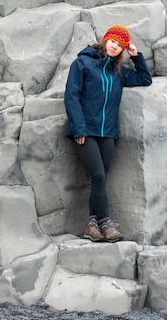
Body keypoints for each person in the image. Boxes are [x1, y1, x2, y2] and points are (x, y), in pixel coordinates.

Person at [64, 24, 152, 242]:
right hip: (85, 131)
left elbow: (144, 79)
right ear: (105, 40)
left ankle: (92, 226)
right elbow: (71, 96)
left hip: (108, 133)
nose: (114, 47)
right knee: (98, 176)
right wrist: (78, 127)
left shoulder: (119, 71)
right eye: (113, 41)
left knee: (100, 181)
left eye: (119, 45)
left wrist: (136, 55)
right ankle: (106, 222)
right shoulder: (83, 63)